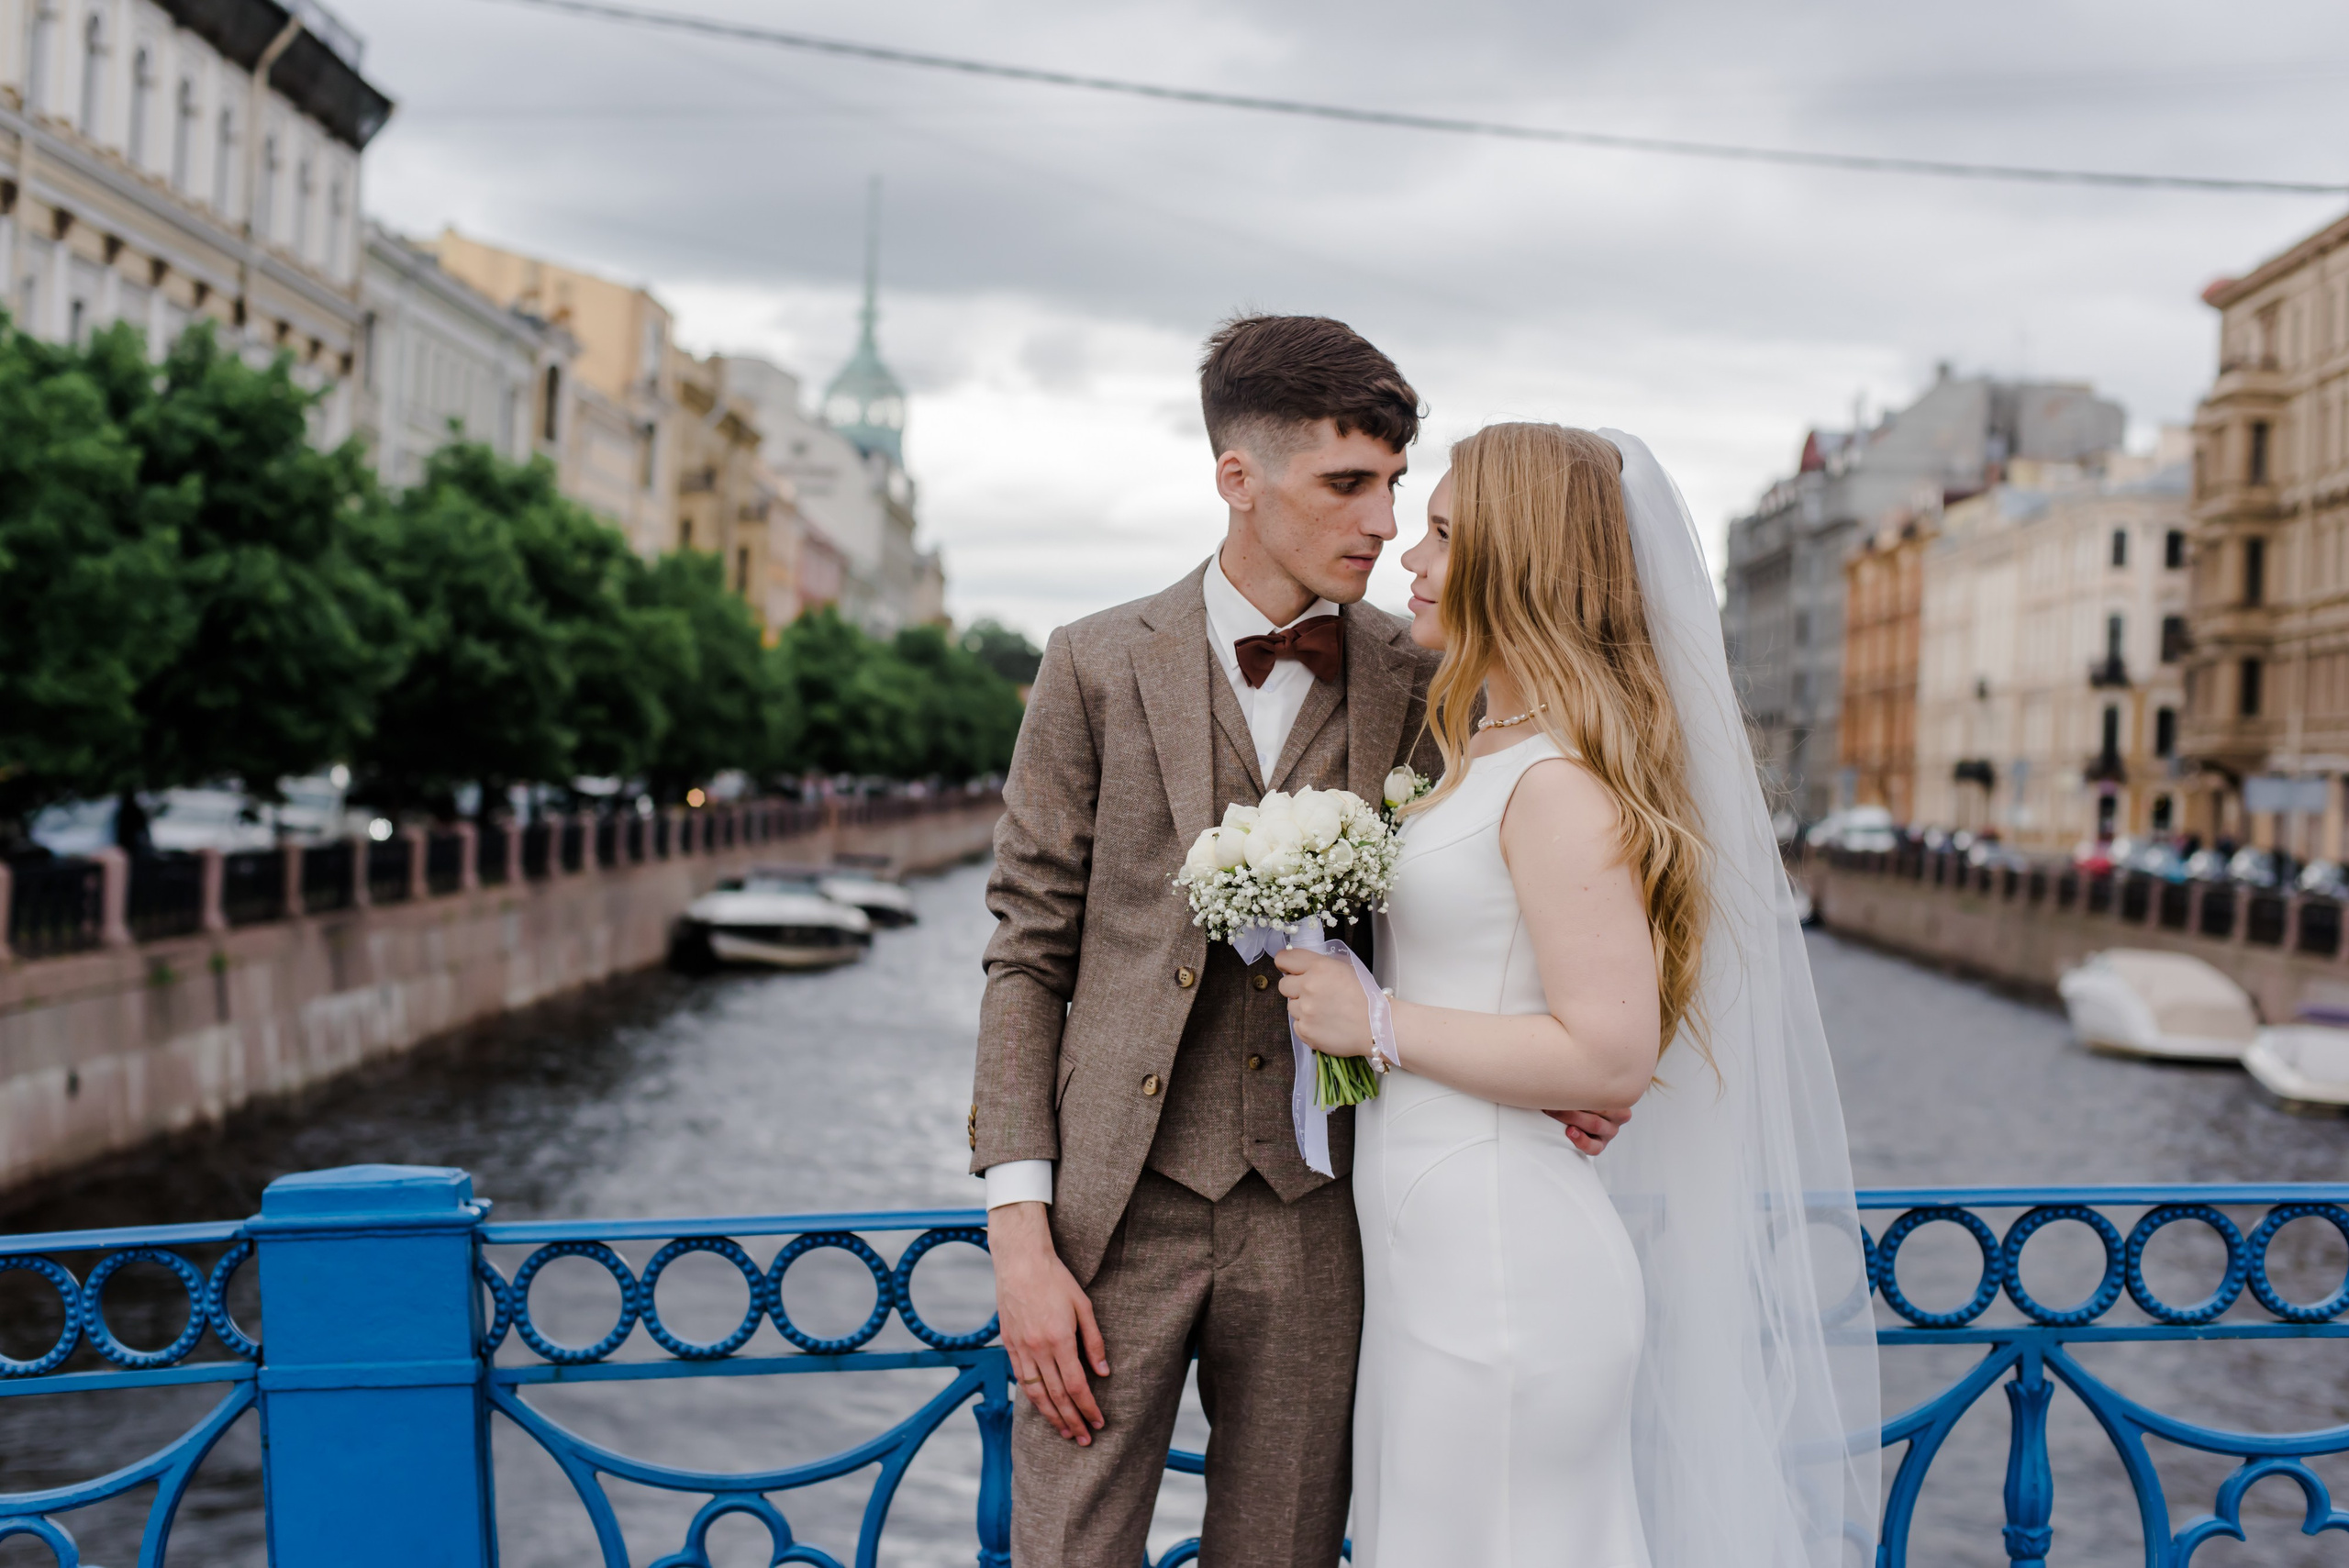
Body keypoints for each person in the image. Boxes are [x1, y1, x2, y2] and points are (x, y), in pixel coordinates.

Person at [968, 319, 1631, 1567]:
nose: (1384, 522)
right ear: (1239, 477)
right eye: (1347, 483)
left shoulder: (1430, 675)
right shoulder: (1094, 663)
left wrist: (1585, 1063)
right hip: (1111, 1212)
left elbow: (1541, 875)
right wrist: (1019, 1232)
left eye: (1396, 484)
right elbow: (1026, 952)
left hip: (1330, 1215)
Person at [1280, 424, 1881, 1566]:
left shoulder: (1555, 781)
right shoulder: (1483, 752)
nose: (1410, 554)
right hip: (1437, 1249)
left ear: (1519, 562)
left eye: (1443, 534)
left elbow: (1609, 1052)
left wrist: (1377, 1022)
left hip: (1503, 1267)